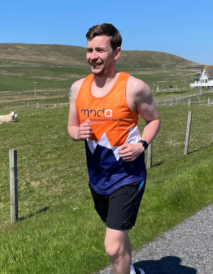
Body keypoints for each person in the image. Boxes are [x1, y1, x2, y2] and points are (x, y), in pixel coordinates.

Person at [67, 23, 160, 274]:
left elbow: (154, 120)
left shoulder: (134, 87)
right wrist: (79, 134)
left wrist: (141, 145)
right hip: (97, 178)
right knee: (117, 238)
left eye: (100, 50)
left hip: (127, 176)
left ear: (116, 53)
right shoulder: (78, 88)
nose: (92, 56)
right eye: (89, 50)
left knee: (111, 246)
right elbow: (71, 128)